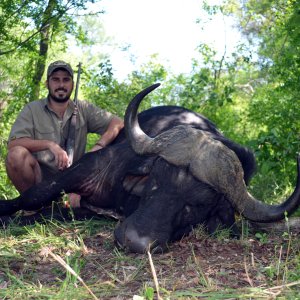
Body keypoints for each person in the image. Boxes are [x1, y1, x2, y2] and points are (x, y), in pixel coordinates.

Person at [6, 60, 124, 207]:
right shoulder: (31, 109)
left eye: (66, 80)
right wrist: (50, 145)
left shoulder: (83, 108)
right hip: (40, 181)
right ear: (47, 83)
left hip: (74, 181)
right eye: (55, 79)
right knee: (16, 155)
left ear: (72, 85)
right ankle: (33, 206)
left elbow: (118, 122)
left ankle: (73, 201)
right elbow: (13, 144)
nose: (61, 85)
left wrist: (98, 147)